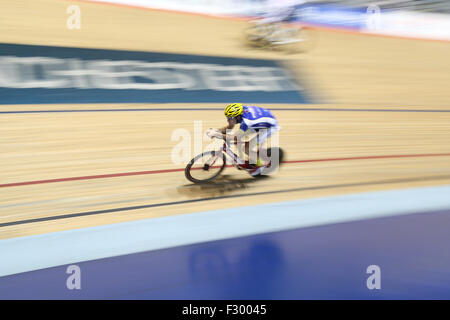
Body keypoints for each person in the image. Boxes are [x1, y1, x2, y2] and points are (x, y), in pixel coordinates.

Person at [206, 103, 281, 176]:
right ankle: (247, 159)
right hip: (261, 120)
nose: (228, 120)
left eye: (230, 118)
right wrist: (217, 130)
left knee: (246, 148)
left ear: (238, 117)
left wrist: (217, 134)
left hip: (269, 127)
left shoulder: (246, 122)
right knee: (238, 140)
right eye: (227, 117)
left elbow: (235, 136)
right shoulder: (240, 111)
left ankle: (261, 165)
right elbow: (230, 127)